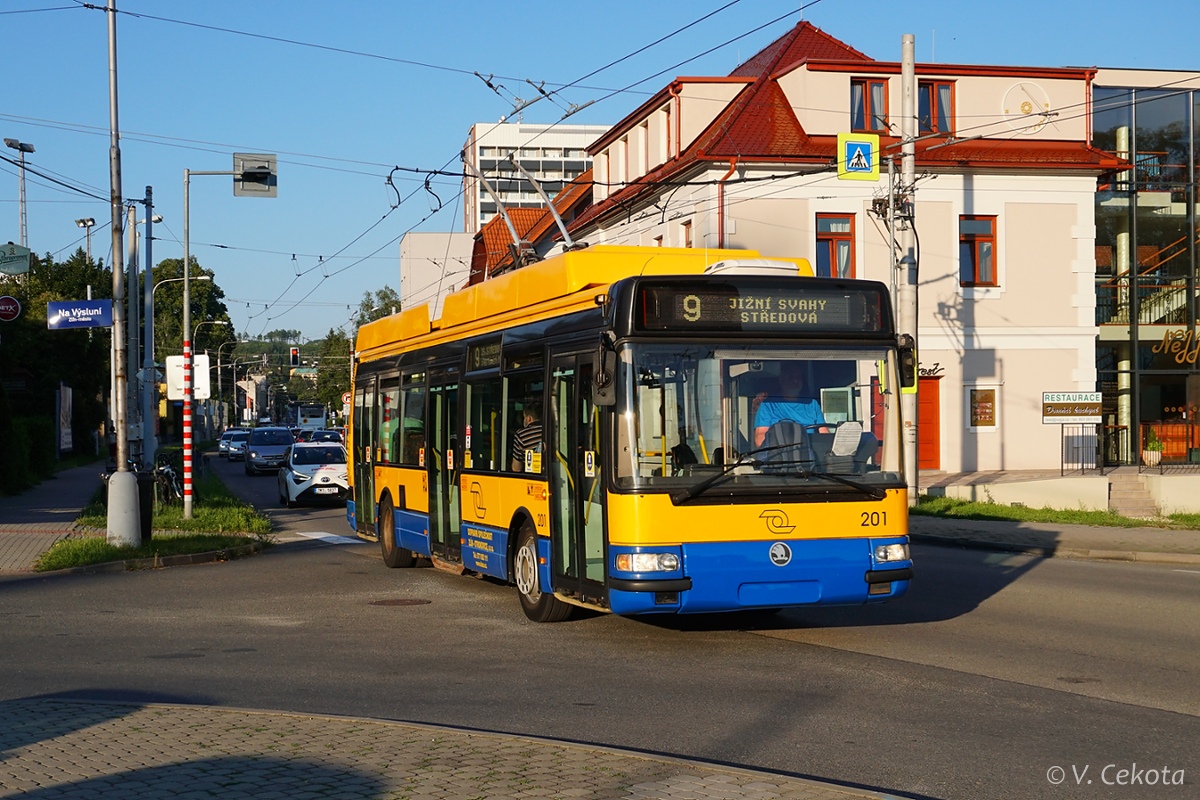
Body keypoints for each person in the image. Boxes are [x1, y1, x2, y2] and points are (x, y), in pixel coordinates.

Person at [754, 363, 829, 446]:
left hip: (808, 450)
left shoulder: (812, 404)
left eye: (798, 377)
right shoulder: (768, 405)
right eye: (790, 377)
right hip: (780, 451)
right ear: (781, 380)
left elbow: (825, 435)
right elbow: (760, 440)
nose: (795, 381)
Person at [511, 400, 543, 471]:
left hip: (531, 475)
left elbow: (516, 468)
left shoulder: (521, 434)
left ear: (529, 419)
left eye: (524, 417)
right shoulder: (550, 431)